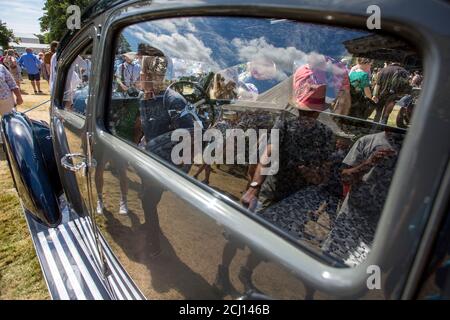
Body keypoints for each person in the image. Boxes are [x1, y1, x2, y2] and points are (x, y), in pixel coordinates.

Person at [322, 129, 403, 266]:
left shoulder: (412, 151)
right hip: (351, 217)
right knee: (329, 261)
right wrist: (369, 162)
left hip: (378, 225)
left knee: (358, 270)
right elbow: (345, 178)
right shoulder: (367, 141)